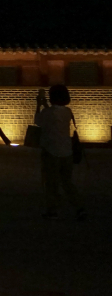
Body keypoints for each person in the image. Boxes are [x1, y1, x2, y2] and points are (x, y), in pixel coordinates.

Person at [34, 84, 84, 220]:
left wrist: (39, 105)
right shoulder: (67, 111)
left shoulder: (48, 112)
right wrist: (46, 105)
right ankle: (79, 207)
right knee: (67, 182)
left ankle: (52, 209)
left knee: (51, 183)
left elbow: (38, 121)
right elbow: (55, 116)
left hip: (51, 151)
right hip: (67, 151)